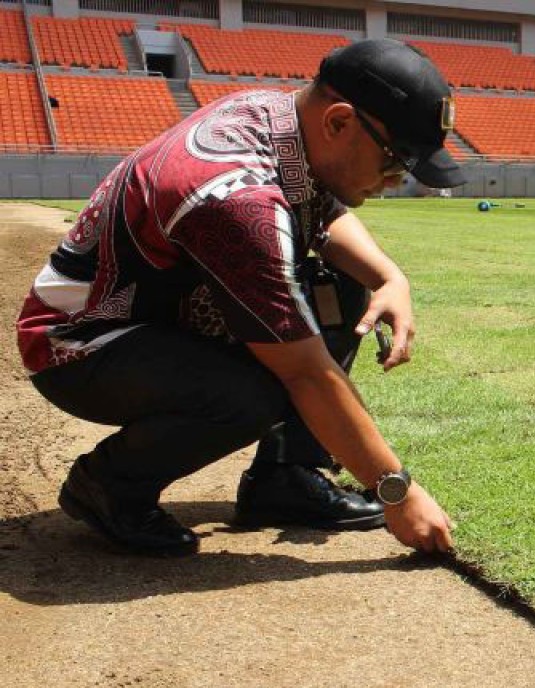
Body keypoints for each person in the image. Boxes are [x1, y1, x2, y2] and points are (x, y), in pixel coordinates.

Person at [14, 39, 463, 557]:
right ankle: (110, 484)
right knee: (260, 392)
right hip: (79, 346)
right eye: (395, 158)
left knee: (338, 287)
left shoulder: (278, 116)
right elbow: (307, 374)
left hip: (153, 314)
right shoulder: (235, 199)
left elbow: (325, 208)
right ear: (339, 122)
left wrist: (392, 279)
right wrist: (397, 492)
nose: (397, 179)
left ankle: (284, 479)